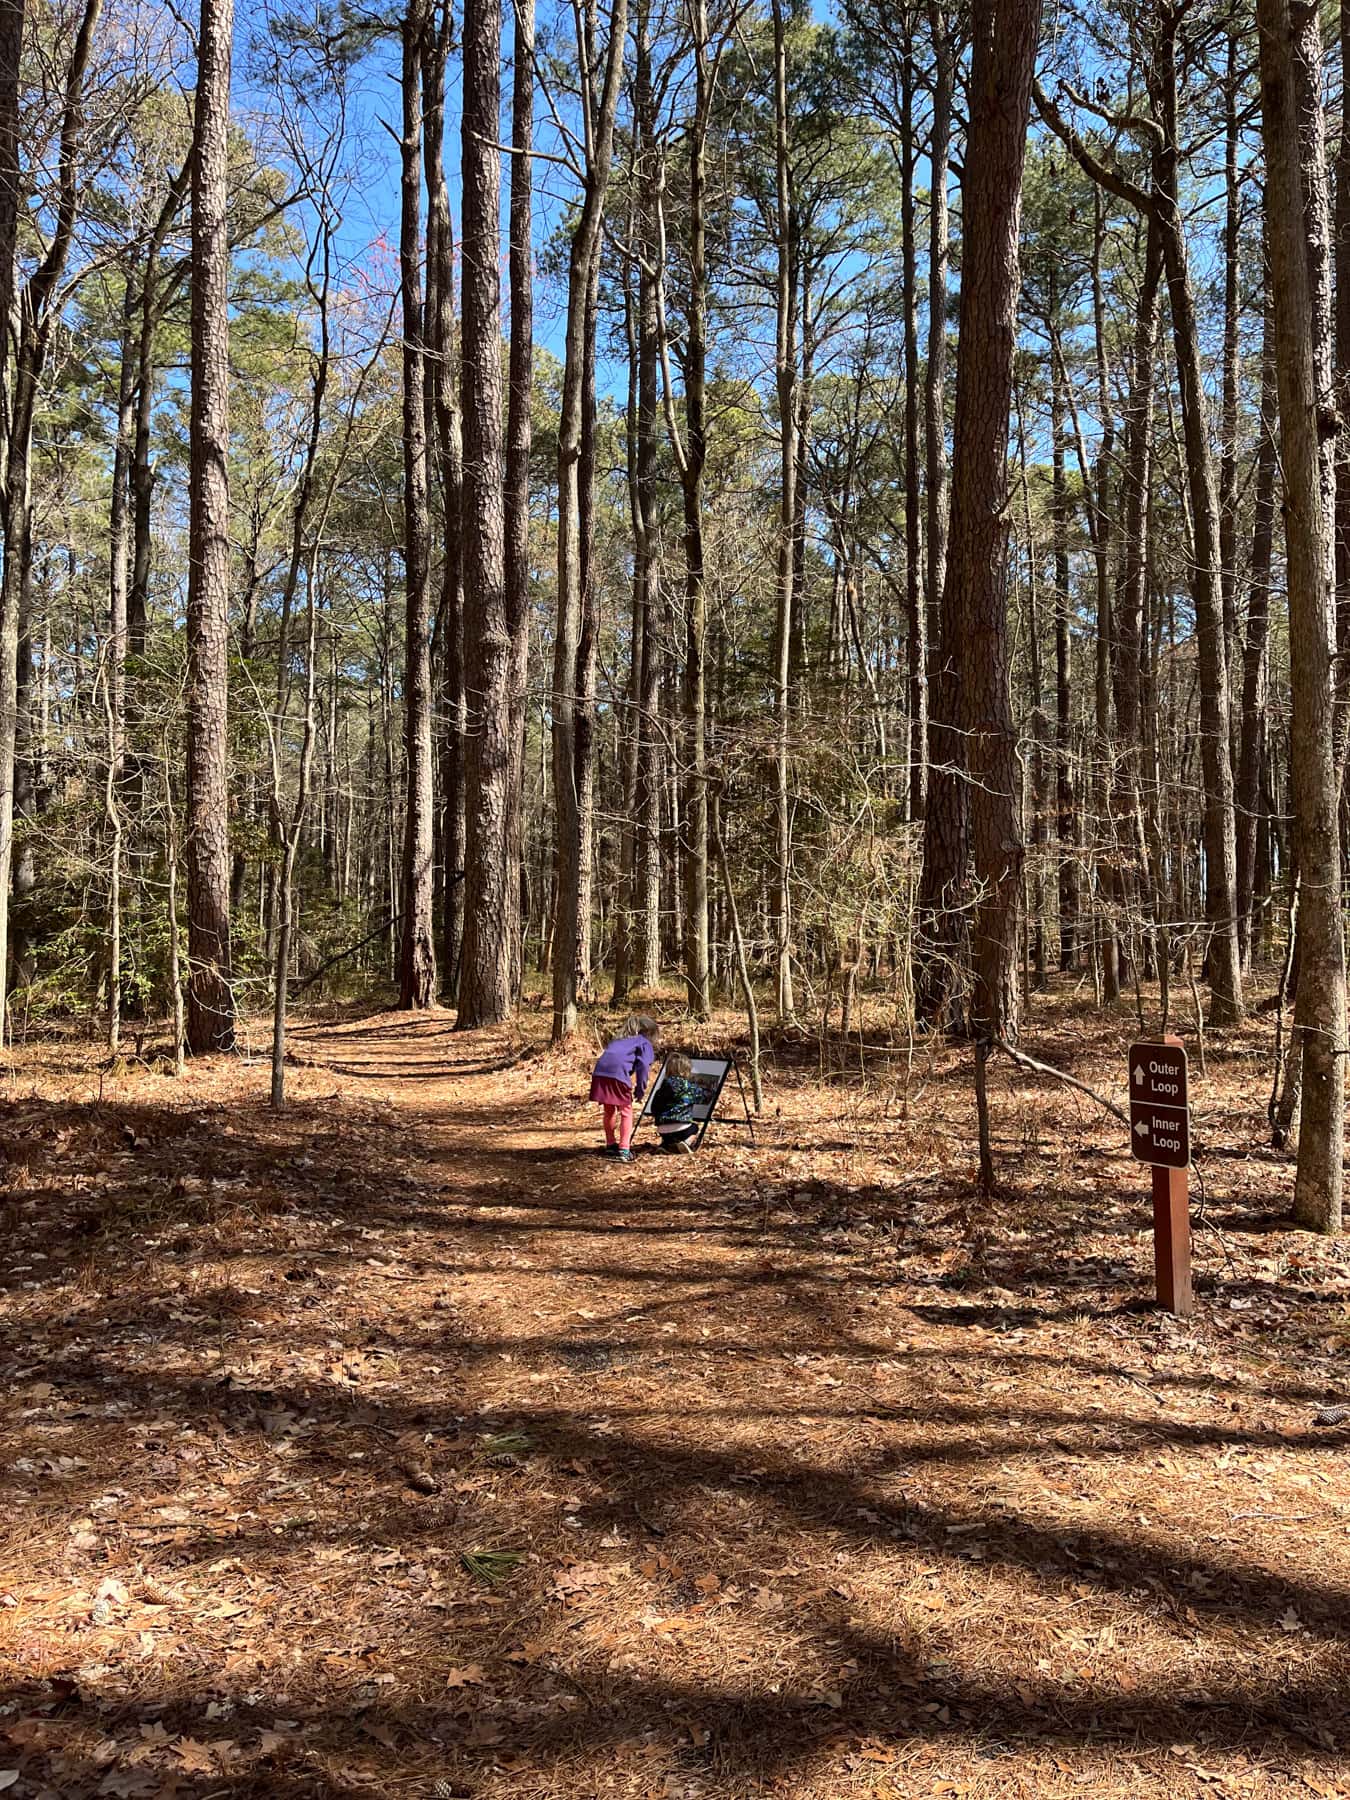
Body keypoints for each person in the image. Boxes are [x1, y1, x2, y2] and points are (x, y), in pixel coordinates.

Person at [588, 1014, 660, 1162]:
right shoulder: (643, 1043)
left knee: (609, 1109)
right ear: (649, 1033)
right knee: (626, 1111)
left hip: (600, 1073)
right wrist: (640, 1090)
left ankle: (610, 1144)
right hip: (618, 1075)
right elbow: (643, 1067)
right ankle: (624, 1149)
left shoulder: (618, 1041)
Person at [650, 1052, 711, 1153]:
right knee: (694, 1127)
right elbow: (704, 1097)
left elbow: (653, 1109)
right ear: (686, 1070)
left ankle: (666, 1145)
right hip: (682, 1129)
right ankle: (686, 1143)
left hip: (662, 1130)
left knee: (670, 1134)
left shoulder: (661, 1089)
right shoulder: (688, 1087)